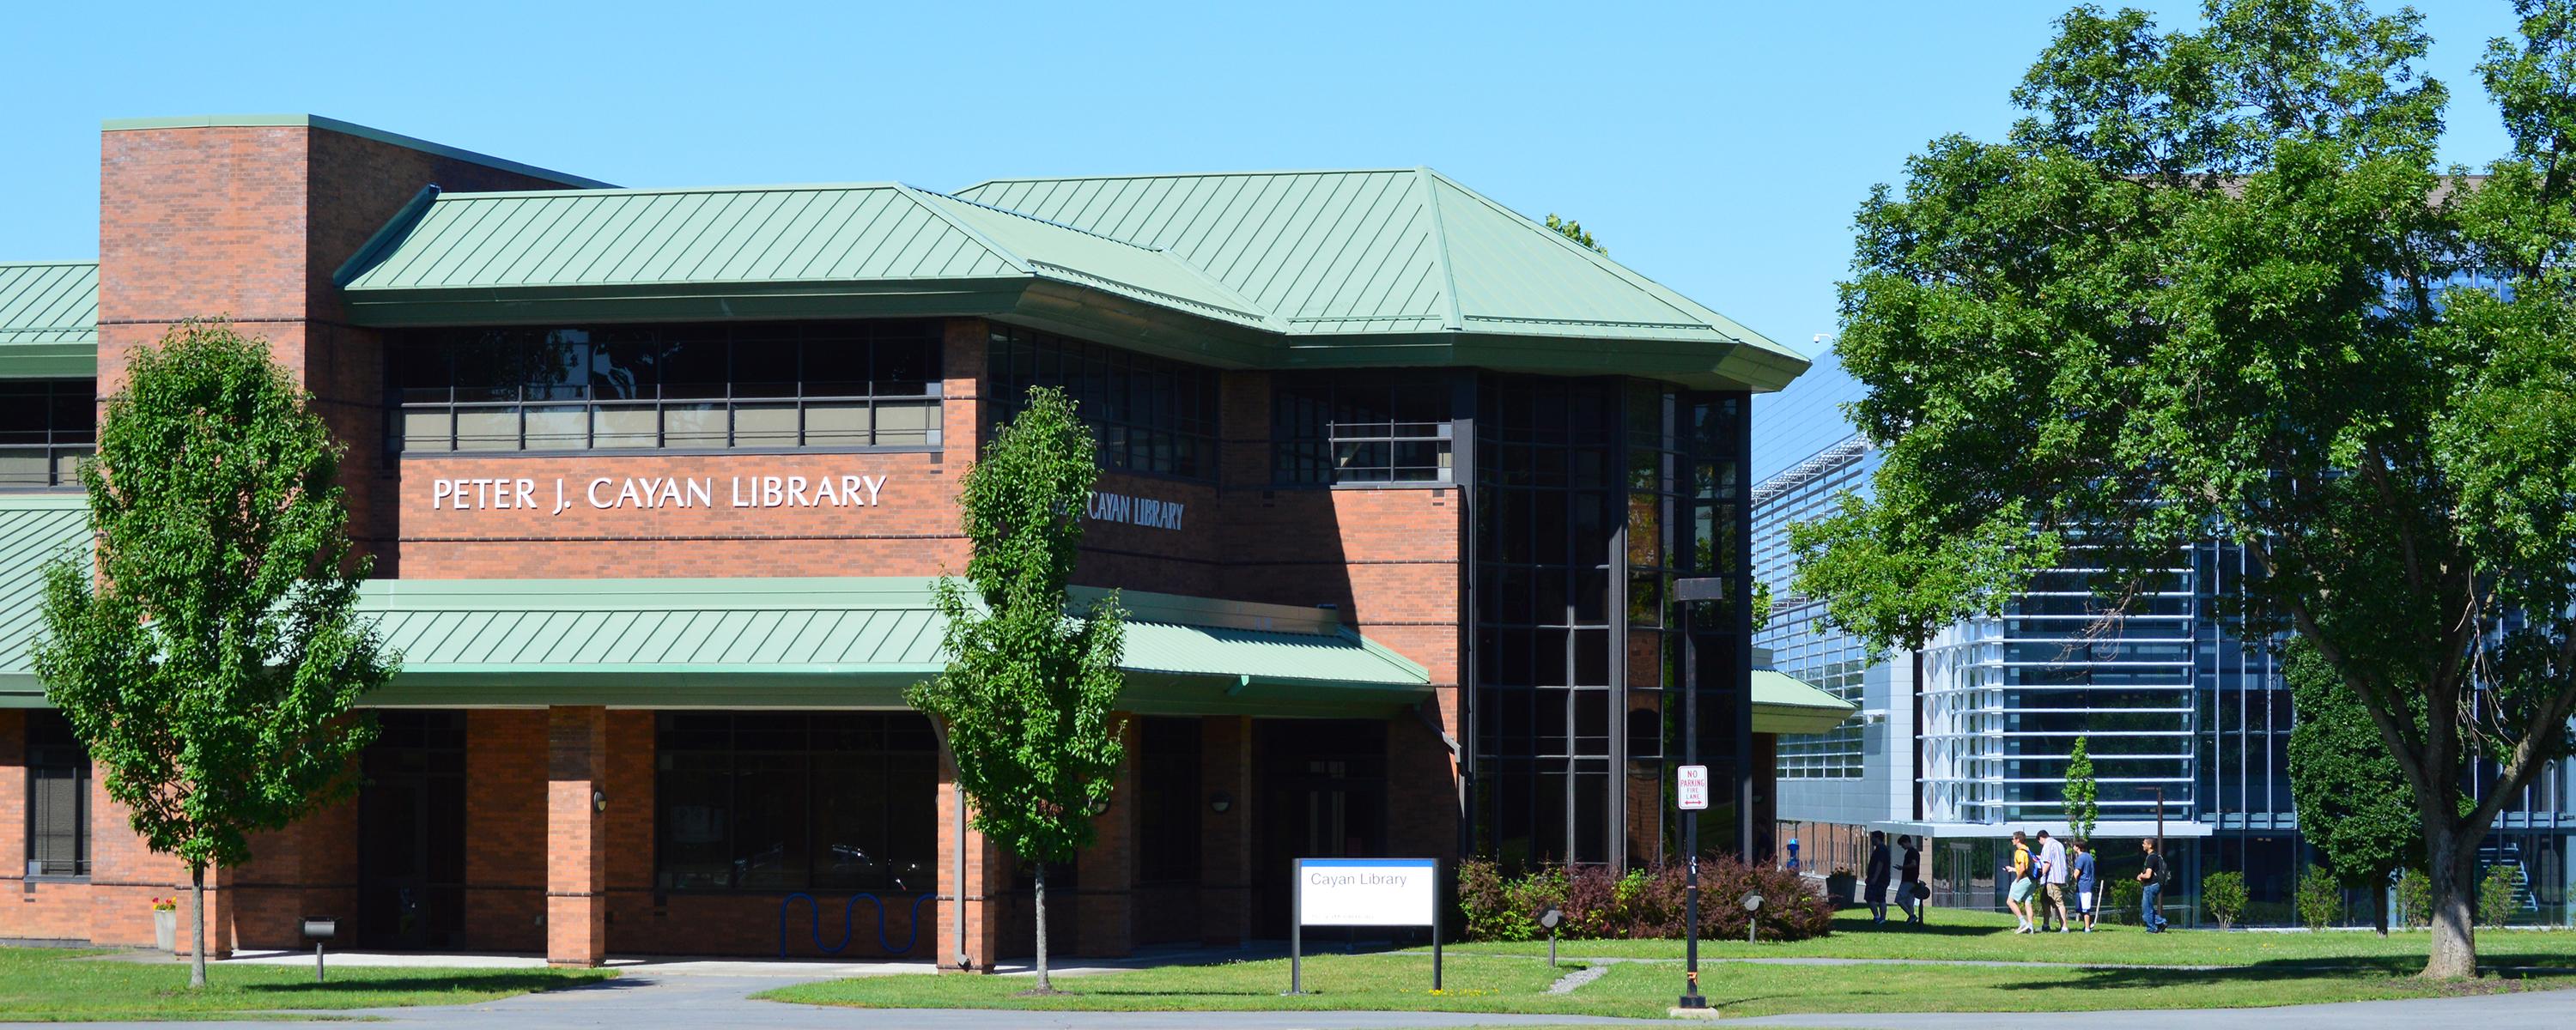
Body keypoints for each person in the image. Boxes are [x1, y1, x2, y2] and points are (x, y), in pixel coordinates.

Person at [2037, 830, 2070, 933]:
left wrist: (2039, 875)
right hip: (2060, 877)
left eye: (2039, 841)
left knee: (2058, 902)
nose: (2040, 843)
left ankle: (2064, 927)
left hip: (2052, 879)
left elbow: (2047, 863)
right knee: (2045, 900)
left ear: (2041, 838)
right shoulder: (2058, 844)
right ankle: (2046, 925)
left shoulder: (2047, 845)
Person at [2139, 838, 2170, 932]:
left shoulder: (2151, 858)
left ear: (2150, 845)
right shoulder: (2156, 856)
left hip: (2151, 886)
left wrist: (2140, 876)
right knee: (2148, 907)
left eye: (2144, 843)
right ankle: (2161, 922)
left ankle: (2151, 928)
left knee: (2146, 909)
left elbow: (2148, 875)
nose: (2143, 845)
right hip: (2157, 884)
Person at [2007, 830, 2036, 933]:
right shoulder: (2027, 850)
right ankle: (2030, 927)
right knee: (2028, 902)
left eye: (2013, 838)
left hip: (2024, 879)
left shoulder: (2019, 852)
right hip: (2032, 880)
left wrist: (2017, 880)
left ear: (2018, 840)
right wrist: (2013, 869)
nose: (2012, 840)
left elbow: (2023, 868)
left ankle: (2023, 923)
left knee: (2010, 901)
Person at [2070, 839, 2099, 933]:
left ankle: (2087, 928)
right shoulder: (2089, 857)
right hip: (2088, 884)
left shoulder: (2081, 858)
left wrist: (2070, 883)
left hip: (2084, 885)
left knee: (2085, 908)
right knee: (2080, 907)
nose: (2073, 847)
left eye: (2074, 845)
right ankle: (2089, 924)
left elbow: (2077, 872)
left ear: (2078, 847)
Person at [1864, 830, 1893, 924]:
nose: (1871, 839)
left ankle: (1878, 917)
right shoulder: (1882, 849)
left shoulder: (1881, 849)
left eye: (1873, 837)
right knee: (1881, 898)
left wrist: (1874, 878)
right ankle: (1882, 918)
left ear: (1877, 838)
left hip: (1879, 879)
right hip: (1882, 878)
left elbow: (1880, 864)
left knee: (1870, 897)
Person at [1897, 834, 1925, 924]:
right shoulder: (1914, 852)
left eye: (1902, 844)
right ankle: (1912, 919)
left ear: (1906, 842)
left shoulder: (1911, 852)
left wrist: (1903, 867)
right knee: (1910, 902)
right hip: (1913, 880)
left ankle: (1912, 916)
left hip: (1908, 880)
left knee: (1899, 899)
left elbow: (1913, 864)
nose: (1902, 847)